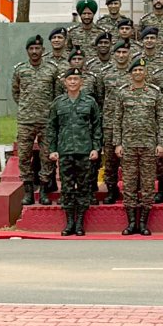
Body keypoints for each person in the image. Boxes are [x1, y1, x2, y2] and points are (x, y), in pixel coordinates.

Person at [109, 59, 163, 235]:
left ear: (146, 72)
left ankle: (143, 223)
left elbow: (161, 120)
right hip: (129, 145)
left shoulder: (155, 93)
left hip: (149, 145)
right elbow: (117, 119)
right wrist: (117, 143)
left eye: (141, 70)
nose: (138, 73)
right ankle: (131, 222)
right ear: (130, 73)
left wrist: (161, 143)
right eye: (135, 70)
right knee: (130, 184)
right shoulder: (123, 93)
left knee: (148, 184)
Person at [48, 69, 104, 236]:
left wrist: (96, 148)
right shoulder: (58, 103)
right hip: (65, 151)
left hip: (84, 151)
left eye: (76, 79)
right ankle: (69, 222)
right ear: (65, 82)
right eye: (70, 79)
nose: (72, 82)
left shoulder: (90, 102)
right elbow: (52, 128)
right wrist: (52, 149)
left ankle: (80, 222)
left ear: (81, 82)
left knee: (83, 187)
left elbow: (96, 126)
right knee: (67, 188)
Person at [12, 35, 55, 205]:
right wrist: (26, 107)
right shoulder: (20, 70)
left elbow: (57, 94)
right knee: (24, 156)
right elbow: (16, 93)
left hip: (46, 121)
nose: (35, 51)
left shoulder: (52, 69)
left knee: (46, 157)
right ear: (27, 51)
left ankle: (44, 191)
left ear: (42, 50)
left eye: (38, 48)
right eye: (31, 49)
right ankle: (28, 191)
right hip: (26, 121)